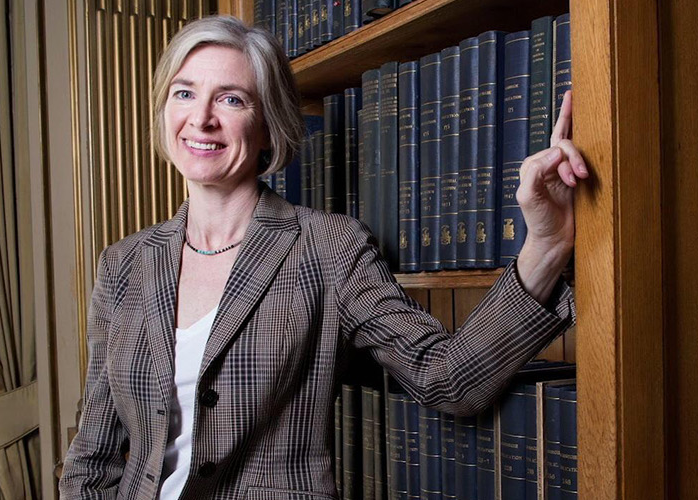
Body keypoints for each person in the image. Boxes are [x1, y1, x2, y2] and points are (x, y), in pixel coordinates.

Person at [59, 15, 589, 500]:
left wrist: (545, 244)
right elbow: (92, 458)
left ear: (268, 125)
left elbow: (446, 380)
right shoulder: (123, 264)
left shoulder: (327, 247)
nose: (201, 119)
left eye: (231, 100)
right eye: (184, 93)